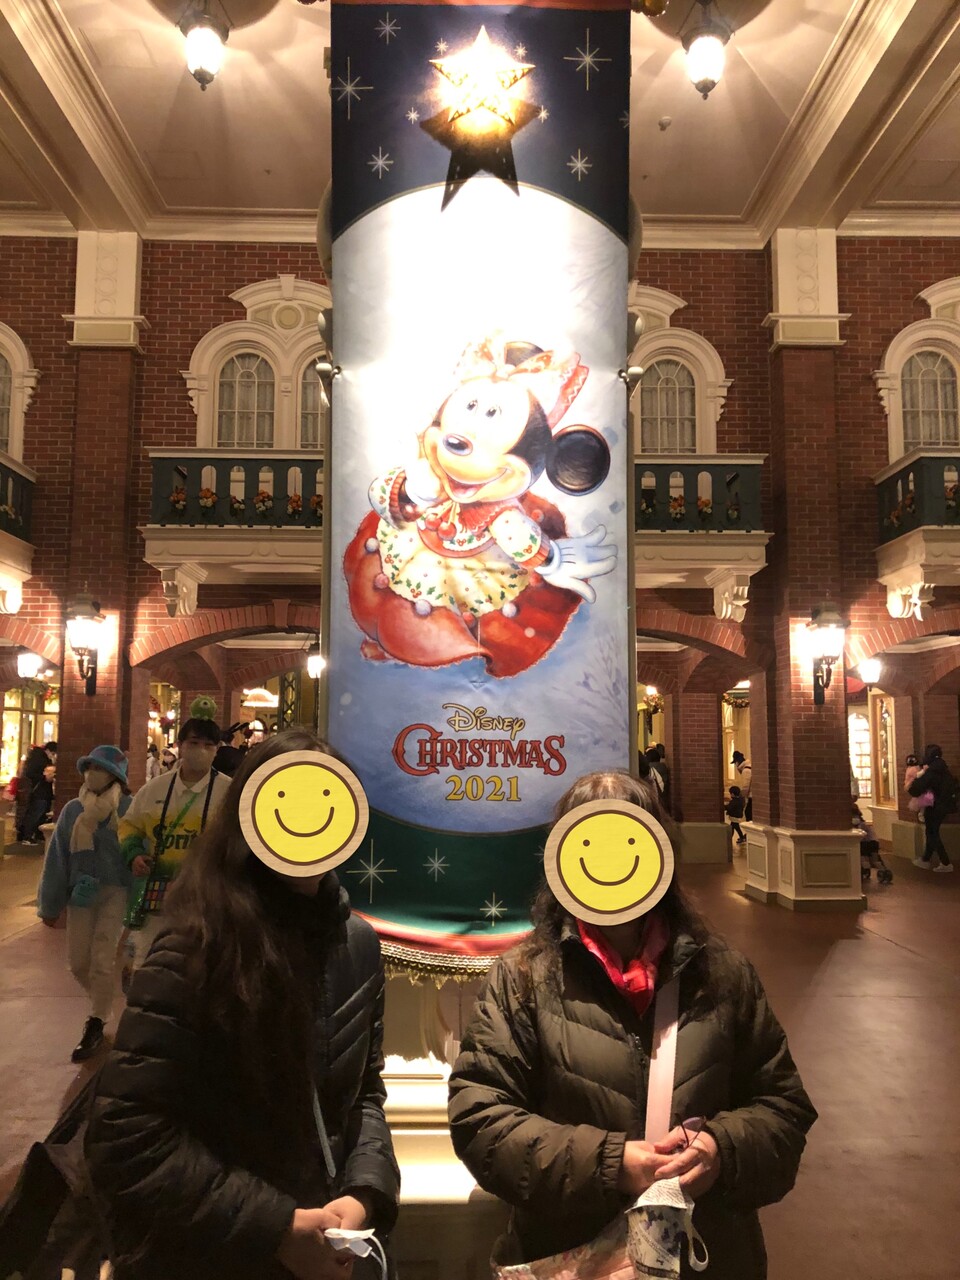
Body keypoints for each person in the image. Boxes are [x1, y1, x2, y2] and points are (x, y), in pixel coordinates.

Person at [448, 770, 816, 1278]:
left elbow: (783, 1108)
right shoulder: (523, 979)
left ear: (659, 851)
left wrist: (721, 1150)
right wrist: (611, 1163)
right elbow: (482, 1121)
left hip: (708, 1256)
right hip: (574, 1253)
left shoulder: (723, 974)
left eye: (626, 839)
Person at [85, 729, 401, 1280]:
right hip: (212, 1257)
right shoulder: (195, 948)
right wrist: (276, 1228)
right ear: (248, 817)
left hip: (326, 1247)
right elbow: (126, 1136)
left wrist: (364, 1193)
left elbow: (363, 1097)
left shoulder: (356, 947)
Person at [36, 746, 132, 1062]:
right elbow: (57, 859)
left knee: (102, 958)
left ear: (115, 776)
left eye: (100, 768)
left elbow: (137, 852)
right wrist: (50, 905)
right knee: (79, 962)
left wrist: (138, 904)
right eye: (89, 767)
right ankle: (101, 1003)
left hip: (116, 891)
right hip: (81, 892)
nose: (92, 774)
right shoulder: (73, 811)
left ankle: (96, 1020)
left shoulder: (128, 809)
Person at [120, 712, 230, 970]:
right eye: (194, 743)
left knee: (200, 961)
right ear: (180, 745)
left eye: (209, 745)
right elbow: (129, 825)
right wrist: (133, 854)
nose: (201, 750)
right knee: (150, 956)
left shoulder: (229, 792)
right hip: (159, 891)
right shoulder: (154, 789)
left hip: (206, 894)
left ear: (217, 750)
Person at [909, 743, 956, 873]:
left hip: (934, 806)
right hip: (944, 806)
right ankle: (925, 859)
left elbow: (916, 789)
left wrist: (916, 779)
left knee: (932, 833)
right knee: (931, 831)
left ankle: (945, 862)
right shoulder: (944, 770)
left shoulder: (931, 771)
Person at [16, 740, 57, 843]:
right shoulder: (39, 758)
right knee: (35, 813)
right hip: (39, 791)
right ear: (49, 751)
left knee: (40, 813)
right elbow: (30, 773)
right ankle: (27, 836)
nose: (54, 755)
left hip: (42, 791)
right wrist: (44, 777)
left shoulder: (40, 757)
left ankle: (36, 834)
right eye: (53, 753)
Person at [731, 749, 752, 821]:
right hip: (753, 795)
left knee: (748, 813)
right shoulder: (750, 767)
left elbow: (745, 786)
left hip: (751, 796)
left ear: (737, 762)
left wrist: (741, 796)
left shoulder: (746, 770)